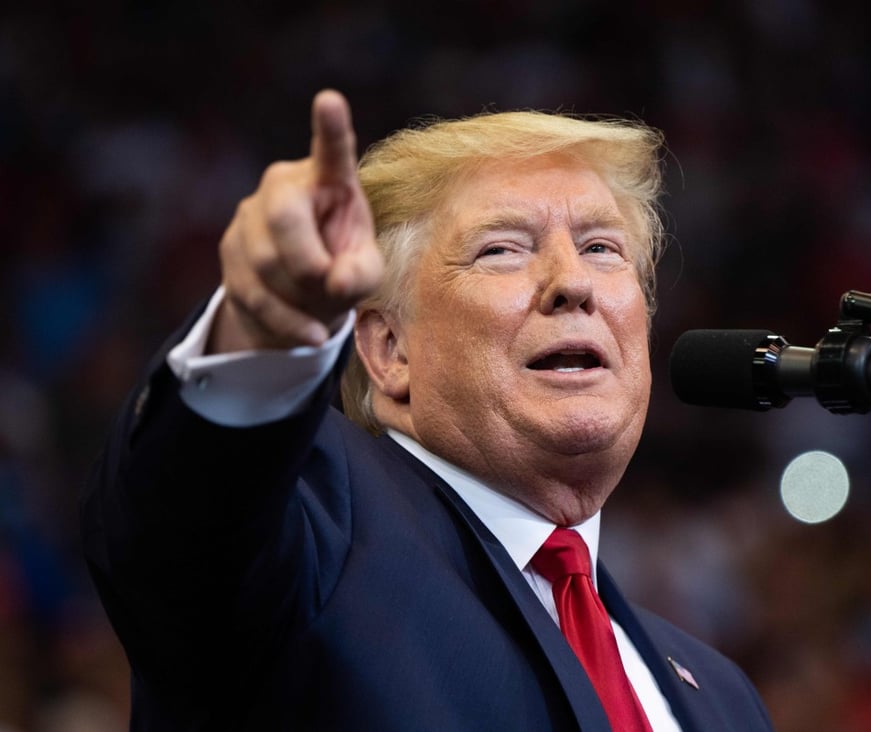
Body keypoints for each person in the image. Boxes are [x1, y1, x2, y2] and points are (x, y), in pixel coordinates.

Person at [80, 89, 773, 731]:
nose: (573, 283)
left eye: (602, 248)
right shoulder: (317, 526)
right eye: (502, 251)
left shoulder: (722, 696)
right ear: (388, 349)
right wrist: (264, 335)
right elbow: (183, 527)